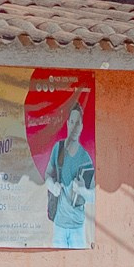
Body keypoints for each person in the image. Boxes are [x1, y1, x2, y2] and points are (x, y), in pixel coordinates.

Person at [45, 100, 95, 249]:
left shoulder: (85, 159)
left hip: (78, 228)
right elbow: (47, 174)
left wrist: (82, 190)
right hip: (59, 225)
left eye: (77, 123)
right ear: (68, 124)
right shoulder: (58, 148)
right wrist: (52, 186)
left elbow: (93, 196)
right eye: (71, 121)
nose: (73, 126)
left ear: (81, 127)